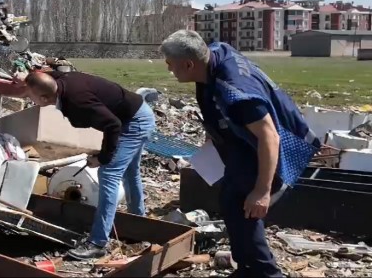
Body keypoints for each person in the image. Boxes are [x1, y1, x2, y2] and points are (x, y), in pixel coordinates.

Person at [160, 30, 320, 277]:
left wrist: (262, 191)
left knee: (245, 210)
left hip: (273, 147)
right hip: (242, 145)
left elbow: (270, 137)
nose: (169, 70)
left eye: (171, 65)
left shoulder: (235, 92)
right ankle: (247, 267)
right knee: (229, 200)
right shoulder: (214, 54)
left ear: (189, 64)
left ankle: (265, 272)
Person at [17, 71, 155, 260]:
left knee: (109, 173)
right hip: (136, 113)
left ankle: (98, 243)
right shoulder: (60, 82)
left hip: (133, 122)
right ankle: (138, 223)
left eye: (30, 96)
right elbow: (50, 75)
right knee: (130, 172)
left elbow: (113, 125)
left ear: (43, 97)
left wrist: (102, 158)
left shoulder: (77, 101)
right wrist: (27, 77)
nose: (28, 98)